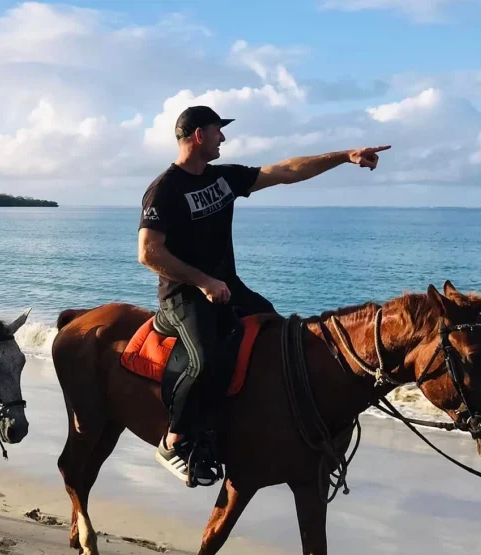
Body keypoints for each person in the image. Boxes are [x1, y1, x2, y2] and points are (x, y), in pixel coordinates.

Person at [138, 105, 389, 486]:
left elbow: (286, 170)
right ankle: (174, 440)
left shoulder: (223, 178)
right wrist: (204, 282)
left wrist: (345, 155)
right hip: (183, 294)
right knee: (205, 361)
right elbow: (148, 252)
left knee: (279, 335)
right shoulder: (165, 189)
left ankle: (244, 423)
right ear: (198, 135)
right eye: (217, 130)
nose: (224, 137)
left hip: (227, 288)